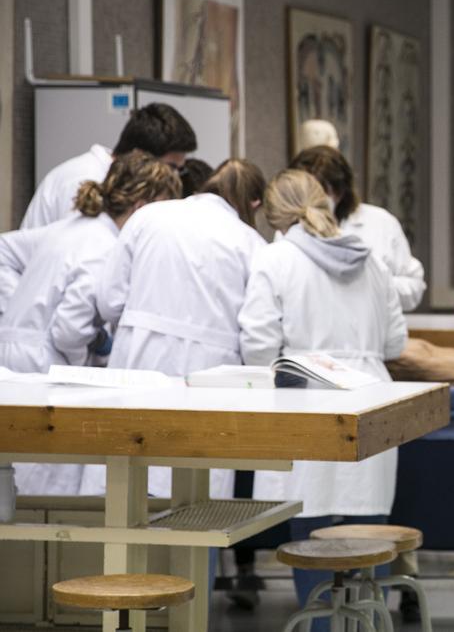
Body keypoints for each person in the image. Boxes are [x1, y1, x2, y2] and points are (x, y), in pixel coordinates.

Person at [240, 169, 406, 627]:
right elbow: (394, 344)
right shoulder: (370, 260)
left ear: (275, 218)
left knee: (308, 524)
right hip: (371, 395)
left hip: (307, 395)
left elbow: (256, 346)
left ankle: (315, 624)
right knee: (366, 524)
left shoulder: (276, 259)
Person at [79, 159, 267, 499]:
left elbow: (108, 300)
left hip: (139, 362)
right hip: (211, 382)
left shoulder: (150, 216)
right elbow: (256, 332)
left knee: (127, 489)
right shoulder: (250, 243)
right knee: (195, 504)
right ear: (254, 203)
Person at [0, 152, 181, 496]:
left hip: (16, 356)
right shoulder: (103, 246)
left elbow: (4, 250)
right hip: (42, 368)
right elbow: (69, 331)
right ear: (143, 206)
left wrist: (18, 312)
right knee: (46, 487)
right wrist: (98, 346)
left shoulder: (76, 225)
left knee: (18, 476)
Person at [289, 146, 426, 310]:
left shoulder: (381, 223)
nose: (313, 200)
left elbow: (414, 288)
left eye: (321, 191)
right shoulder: (290, 231)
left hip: (372, 328)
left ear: (340, 191)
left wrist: (371, 286)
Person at [21, 103, 196, 229]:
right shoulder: (83, 179)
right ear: (140, 156)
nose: (174, 178)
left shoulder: (117, 179)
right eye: (171, 167)